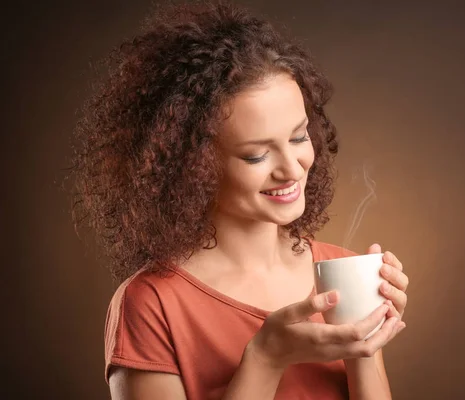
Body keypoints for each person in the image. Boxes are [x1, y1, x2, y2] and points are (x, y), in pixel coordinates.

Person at [69, 2, 409, 399]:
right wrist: (266, 357)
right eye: (256, 155)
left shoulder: (340, 269)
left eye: (299, 137)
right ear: (193, 164)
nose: (292, 168)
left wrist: (363, 341)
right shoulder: (151, 304)